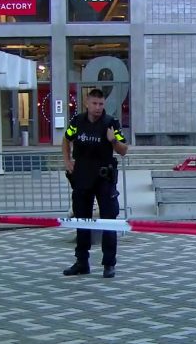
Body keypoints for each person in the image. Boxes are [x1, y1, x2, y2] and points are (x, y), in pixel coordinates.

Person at [62, 88, 128, 278]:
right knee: (82, 220)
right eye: (94, 103)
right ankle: (82, 262)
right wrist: (67, 161)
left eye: (101, 104)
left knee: (108, 221)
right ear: (87, 103)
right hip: (82, 177)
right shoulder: (77, 122)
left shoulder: (110, 123)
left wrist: (114, 141)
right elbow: (66, 139)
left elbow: (124, 150)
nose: (98, 107)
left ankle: (109, 264)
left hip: (103, 179)